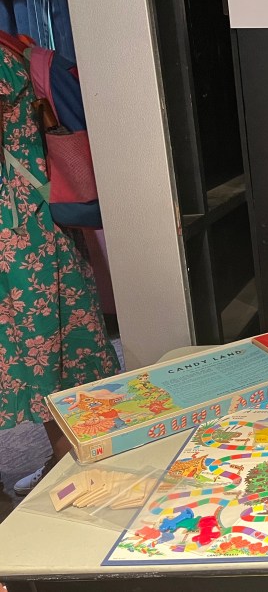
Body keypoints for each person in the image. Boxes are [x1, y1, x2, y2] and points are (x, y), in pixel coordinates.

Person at [1, 39, 120, 495]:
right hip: (37, 219)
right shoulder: (13, 47)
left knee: (32, 345)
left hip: (12, 231)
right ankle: (67, 458)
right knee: (60, 342)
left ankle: (66, 461)